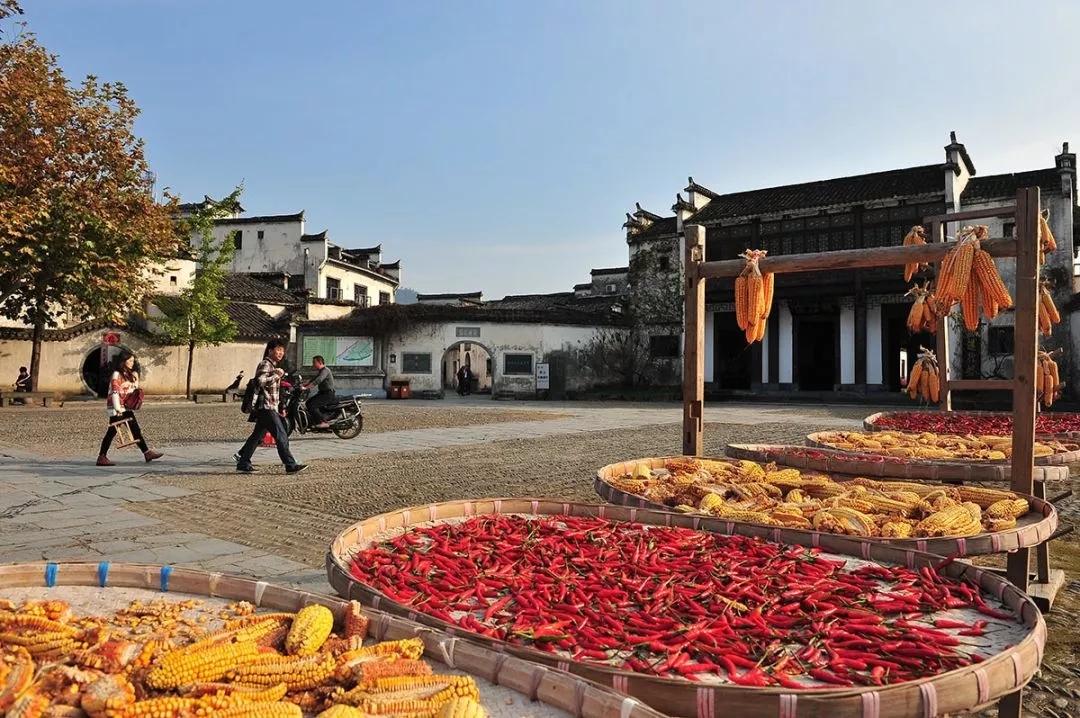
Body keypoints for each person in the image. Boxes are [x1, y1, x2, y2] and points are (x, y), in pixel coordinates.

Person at [234, 339, 307, 474]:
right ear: (270, 350)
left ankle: (243, 462)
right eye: (278, 349)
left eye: (282, 350)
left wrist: (280, 407)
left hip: (269, 407)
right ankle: (290, 465)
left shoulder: (273, 366)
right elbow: (260, 381)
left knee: (256, 437)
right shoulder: (265, 364)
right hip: (266, 406)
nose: (280, 352)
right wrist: (276, 375)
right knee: (281, 435)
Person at [97, 351, 163, 466]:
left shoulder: (130, 375)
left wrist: (136, 379)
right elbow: (115, 392)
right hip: (117, 407)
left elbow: (133, 390)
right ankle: (102, 456)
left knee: (135, 428)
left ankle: (147, 452)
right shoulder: (116, 374)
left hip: (126, 407)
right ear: (124, 361)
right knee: (112, 431)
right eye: (130, 361)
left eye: (133, 361)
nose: (132, 363)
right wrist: (117, 408)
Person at [301, 355, 336, 429]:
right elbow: (313, 379)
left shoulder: (325, 370)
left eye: (314, 363)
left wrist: (306, 388)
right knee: (308, 403)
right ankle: (315, 421)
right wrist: (304, 384)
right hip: (322, 393)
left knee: (312, 405)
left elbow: (318, 380)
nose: (313, 365)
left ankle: (323, 422)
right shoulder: (321, 371)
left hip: (328, 394)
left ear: (320, 362)